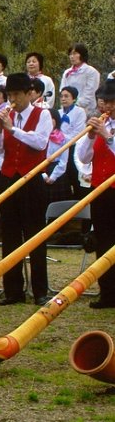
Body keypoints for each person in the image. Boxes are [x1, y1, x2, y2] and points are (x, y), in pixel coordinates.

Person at [0, 73, 52, 306]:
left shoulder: (42, 114)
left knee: (35, 235)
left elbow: (40, 142)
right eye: (10, 95)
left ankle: (40, 290)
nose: (13, 99)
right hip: (8, 178)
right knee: (10, 235)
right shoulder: (7, 116)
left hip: (32, 179)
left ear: (29, 94)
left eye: (17, 94)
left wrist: (13, 129)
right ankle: (13, 290)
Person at [76, 80, 115, 308]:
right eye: (104, 102)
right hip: (100, 190)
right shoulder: (102, 123)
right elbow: (83, 158)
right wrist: (91, 136)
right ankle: (107, 292)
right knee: (103, 241)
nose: (106, 107)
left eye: (111, 102)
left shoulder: (107, 128)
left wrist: (108, 136)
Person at [60, 43, 101, 117]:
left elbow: (89, 94)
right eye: (70, 54)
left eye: (75, 53)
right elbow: (62, 90)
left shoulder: (91, 72)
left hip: (87, 111)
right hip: (67, 110)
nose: (72, 56)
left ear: (82, 55)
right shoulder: (67, 72)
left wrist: (75, 105)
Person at [42, 108, 71, 203]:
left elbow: (63, 161)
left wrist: (53, 176)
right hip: (41, 170)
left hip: (58, 173)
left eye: (51, 118)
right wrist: (43, 175)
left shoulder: (63, 138)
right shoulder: (39, 137)